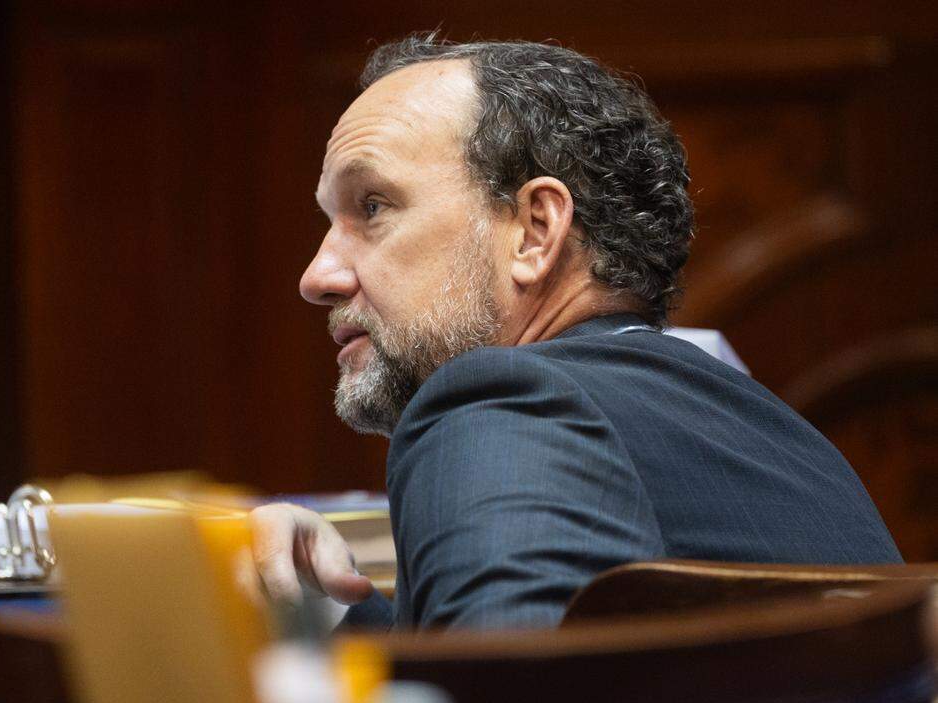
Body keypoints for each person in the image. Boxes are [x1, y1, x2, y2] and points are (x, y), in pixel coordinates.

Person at [247, 33, 901, 630]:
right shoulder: (786, 441)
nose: (317, 276)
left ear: (535, 232)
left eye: (373, 207)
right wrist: (328, 609)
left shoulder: (505, 401)